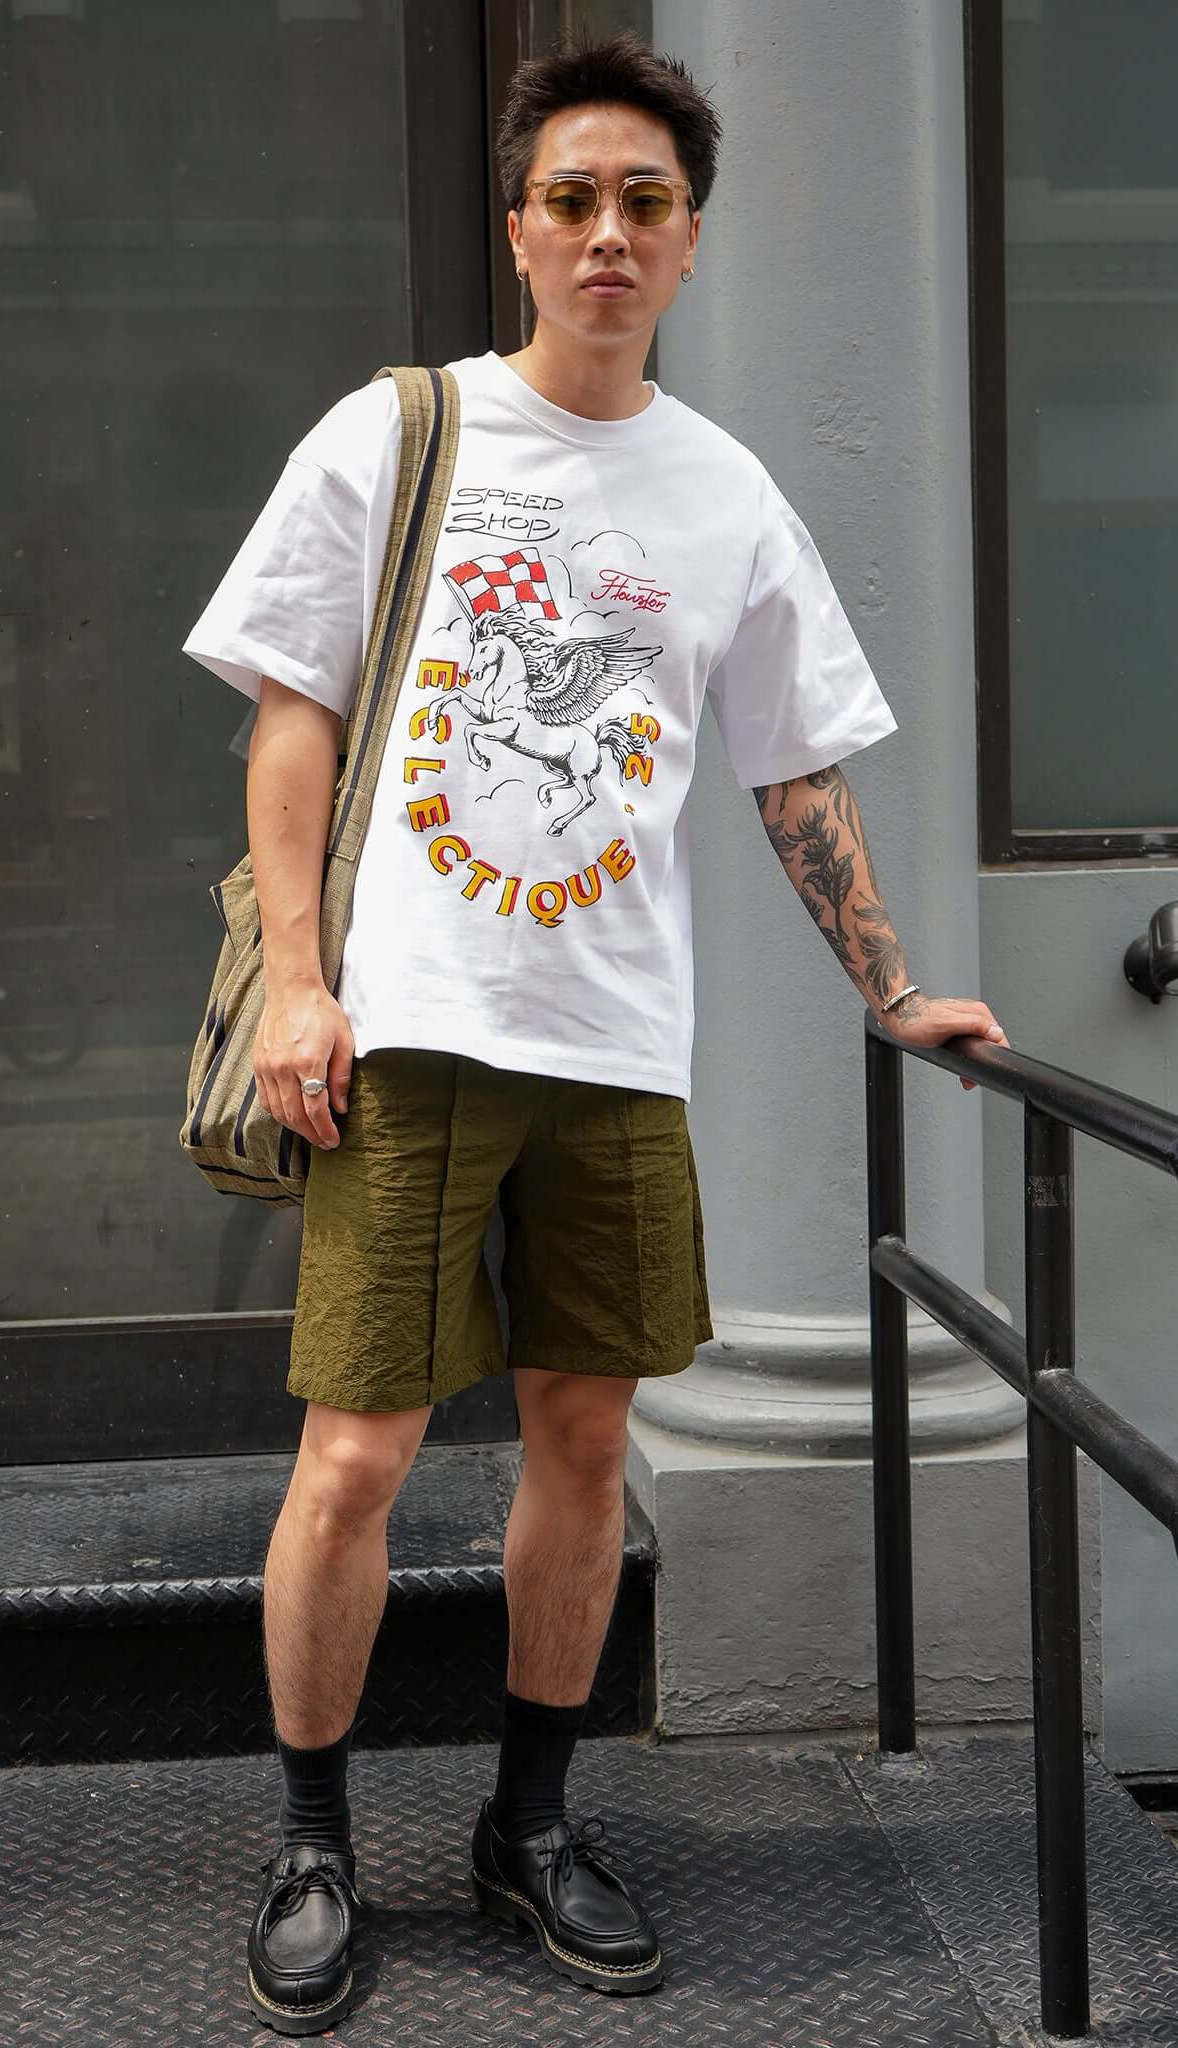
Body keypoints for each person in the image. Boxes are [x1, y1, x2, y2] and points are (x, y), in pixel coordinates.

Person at [183, 28, 1011, 2034]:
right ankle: (312, 1837)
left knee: (585, 1431)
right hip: (405, 1032)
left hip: (617, 1045)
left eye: (645, 203)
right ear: (519, 230)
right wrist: (302, 977)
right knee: (361, 1453)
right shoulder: (398, 436)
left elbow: (794, 772)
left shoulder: (723, 495)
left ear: (691, 241)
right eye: (573, 199)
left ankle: (528, 1821)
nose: (608, 235)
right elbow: (288, 721)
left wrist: (891, 986)